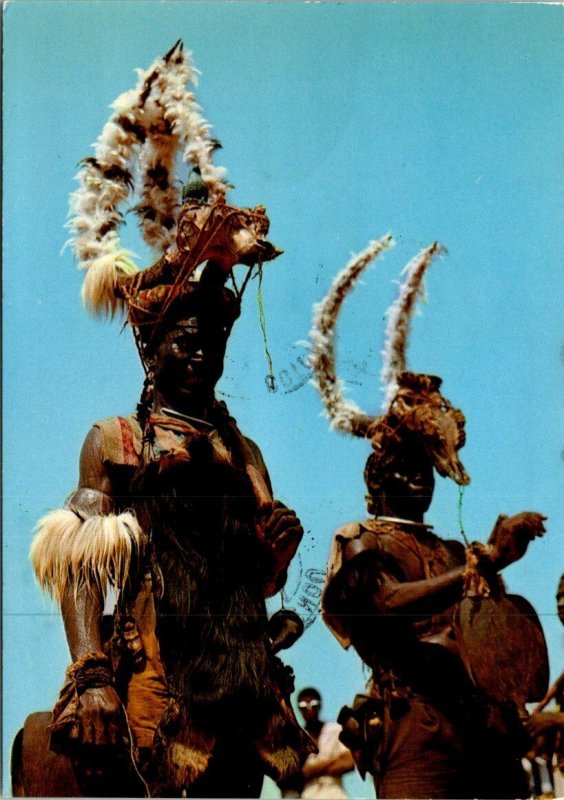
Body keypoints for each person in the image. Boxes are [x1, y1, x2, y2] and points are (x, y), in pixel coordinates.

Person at [21, 42, 314, 798]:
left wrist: (274, 559)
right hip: (156, 672)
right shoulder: (117, 442)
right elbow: (81, 565)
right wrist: (91, 677)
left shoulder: (241, 452)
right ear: (154, 351)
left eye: (211, 342)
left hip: (239, 679)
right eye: (184, 340)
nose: (200, 354)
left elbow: (262, 581)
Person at [309, 236, 549, 799]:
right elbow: (384, 602)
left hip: (483, 732)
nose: (419, 480)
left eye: (426, 469)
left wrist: (494, 559)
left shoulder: (448, 549)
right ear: (376, 478)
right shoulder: (360, 538)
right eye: (404, 468)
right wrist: (480, 561)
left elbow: (488, 631)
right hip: (415, 730)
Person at [295, 688, 354, 799]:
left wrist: (312, 769)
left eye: (314, 705)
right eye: (304, 706)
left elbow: (349, 762)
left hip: (335, 794)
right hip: (309, 795)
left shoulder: (335, 730)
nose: (309, 709)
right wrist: (335, 760)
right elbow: (297, 774)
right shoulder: (296, 738)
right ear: (299, 709)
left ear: (320, 706)